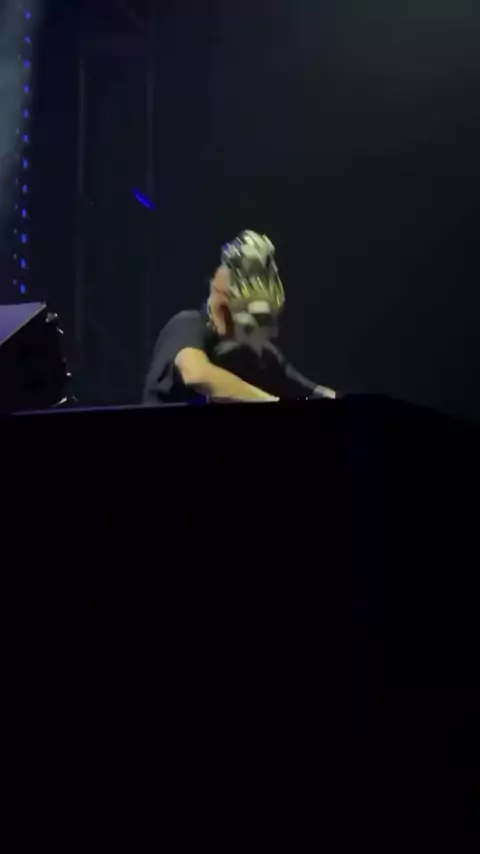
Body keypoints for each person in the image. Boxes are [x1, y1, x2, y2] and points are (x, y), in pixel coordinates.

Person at [142, 230, 336, 405]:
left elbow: (312, 392)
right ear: (223, 309)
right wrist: (270, 403)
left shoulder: (260, 355)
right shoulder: (186, 325)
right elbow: (196, 374)